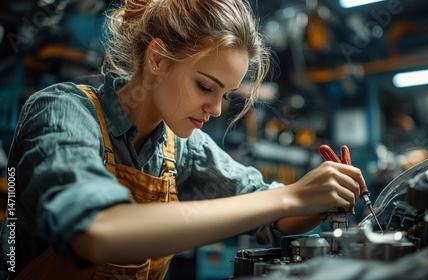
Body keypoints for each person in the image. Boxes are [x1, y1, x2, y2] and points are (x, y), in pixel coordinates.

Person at [0, 0, 365, 279]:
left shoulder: (181, 145)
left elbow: (269, 216)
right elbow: (98, 231)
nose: (218, 109)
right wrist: (289, 196)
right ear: (157, 60)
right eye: (205, 86)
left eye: (226, 94)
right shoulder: (62, 110)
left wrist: (316, 199)